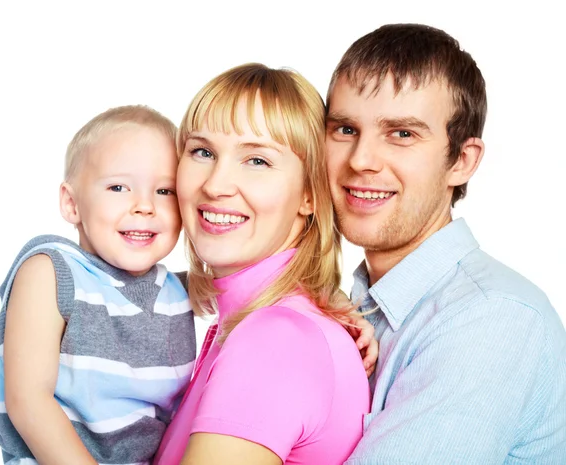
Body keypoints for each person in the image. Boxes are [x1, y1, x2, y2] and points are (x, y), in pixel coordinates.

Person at [325, 23, 566, 464]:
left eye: (402, 134)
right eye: (344, 129)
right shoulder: (356, 305)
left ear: (461, 161)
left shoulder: (491, 318)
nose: (360, 160)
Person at [152, 63, 371, 465]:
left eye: (257, 161)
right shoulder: (261, 321)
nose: (215, 185)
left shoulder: (276, 339)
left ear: (310, 194)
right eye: (202, 152)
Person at [0, 105, 196, 464]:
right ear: (72, 204)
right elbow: (27, 401)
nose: (144, 205)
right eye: (118, 186)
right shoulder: (51, 271)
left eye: (165, 191)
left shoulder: (180, 290)